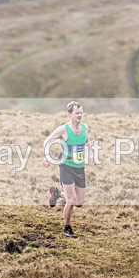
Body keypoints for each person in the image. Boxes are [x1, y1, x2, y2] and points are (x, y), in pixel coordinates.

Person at [43, 101, 96, 238]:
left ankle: (57, 194)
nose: (79, 115)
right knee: (71, 201)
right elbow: (47, 140)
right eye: (77, 113)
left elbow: (86, 141)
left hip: (79, 168)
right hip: (66, 166)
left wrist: (91, 154)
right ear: (70, 114)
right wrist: (47, 157)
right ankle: (67, 228)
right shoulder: (63, 130)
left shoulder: (85, 127)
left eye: (81, 113)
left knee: (79, 203)